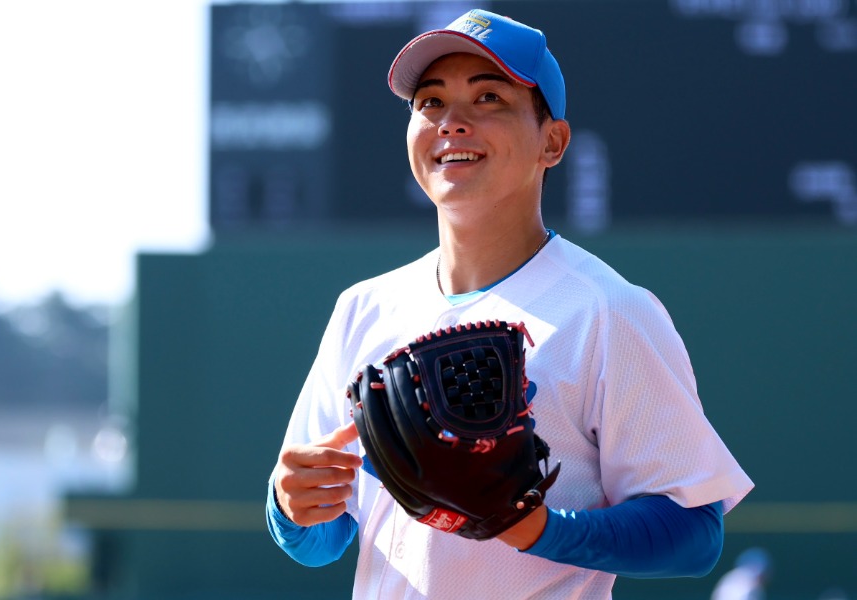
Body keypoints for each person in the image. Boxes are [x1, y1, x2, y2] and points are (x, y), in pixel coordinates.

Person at [267, 8, 754, 599]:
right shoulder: (363, 308)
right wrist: (292, 510)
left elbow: (695, 532)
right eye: (430, 102)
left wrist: (534, 528)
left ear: (552, 141)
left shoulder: (608, 310)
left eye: (489, 97)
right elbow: (326, 541)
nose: (452, 122)